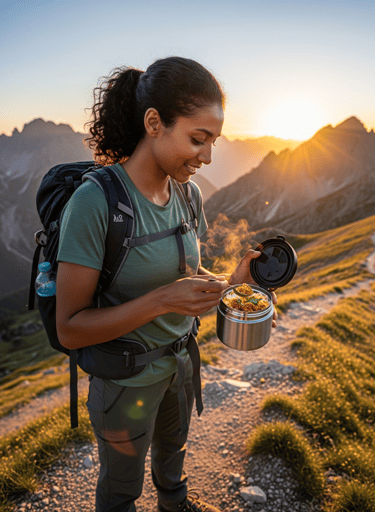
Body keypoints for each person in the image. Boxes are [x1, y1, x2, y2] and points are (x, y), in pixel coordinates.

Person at [56, 56, 277, 512]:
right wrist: (160, 301)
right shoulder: (95, 203)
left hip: (181, 365)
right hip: (125, 381)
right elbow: (70, 329)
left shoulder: (187, 193)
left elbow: (181, 275)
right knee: (121, 490)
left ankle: (175, 502)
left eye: (214, 141)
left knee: (172, 460)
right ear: (153, 123)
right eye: (198, 139)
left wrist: (229, 283)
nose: (208, 156)